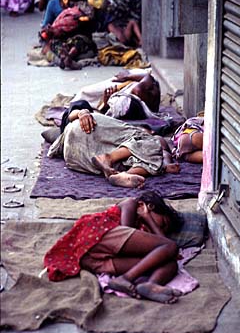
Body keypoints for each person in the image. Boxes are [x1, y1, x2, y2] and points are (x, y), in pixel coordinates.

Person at [44, 190, 183, 303]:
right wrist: (147, 217)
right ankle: (125, 278)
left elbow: (170, 253)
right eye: (163, 223)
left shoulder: (144, 233)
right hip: (97, 235)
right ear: (151, 206)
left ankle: (150, 285)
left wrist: (150, 223)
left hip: (93, 260)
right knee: (169, 246)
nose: (160, 229)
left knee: (170, 263)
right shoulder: (131, 204)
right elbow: (126, 230)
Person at [48, 108, 180, 188]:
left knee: (145, 162)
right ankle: (109, 159)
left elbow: (157, 157)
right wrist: (83, 112)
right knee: (153, 144)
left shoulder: (133, 153)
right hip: (82, 136)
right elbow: (72, 113)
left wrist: (164, 166)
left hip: (74, 157)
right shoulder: (145, 137)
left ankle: (125, 176)